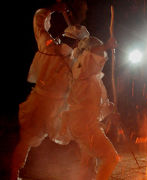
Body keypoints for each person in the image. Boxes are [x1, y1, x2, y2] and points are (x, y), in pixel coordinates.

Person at [10, 1, 76, 179]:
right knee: (28, 139)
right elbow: (39, 20)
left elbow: (39, 21)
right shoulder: (53, 48)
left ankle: (82, 169)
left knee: (76, 134)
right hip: (45, 102)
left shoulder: (64, 54)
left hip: (54, 104)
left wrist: (54, 9)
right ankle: (13, 173)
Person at [58, 32, 120, 180]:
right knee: (112, 158)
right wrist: (106, 45)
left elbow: (93, 108)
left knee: (87, 166)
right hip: (83, 125)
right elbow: (89, 54)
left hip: (86, 124)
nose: (101, 56)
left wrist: (108, 109)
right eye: (98, 51)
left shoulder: (93, 79)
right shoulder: (81, 70)